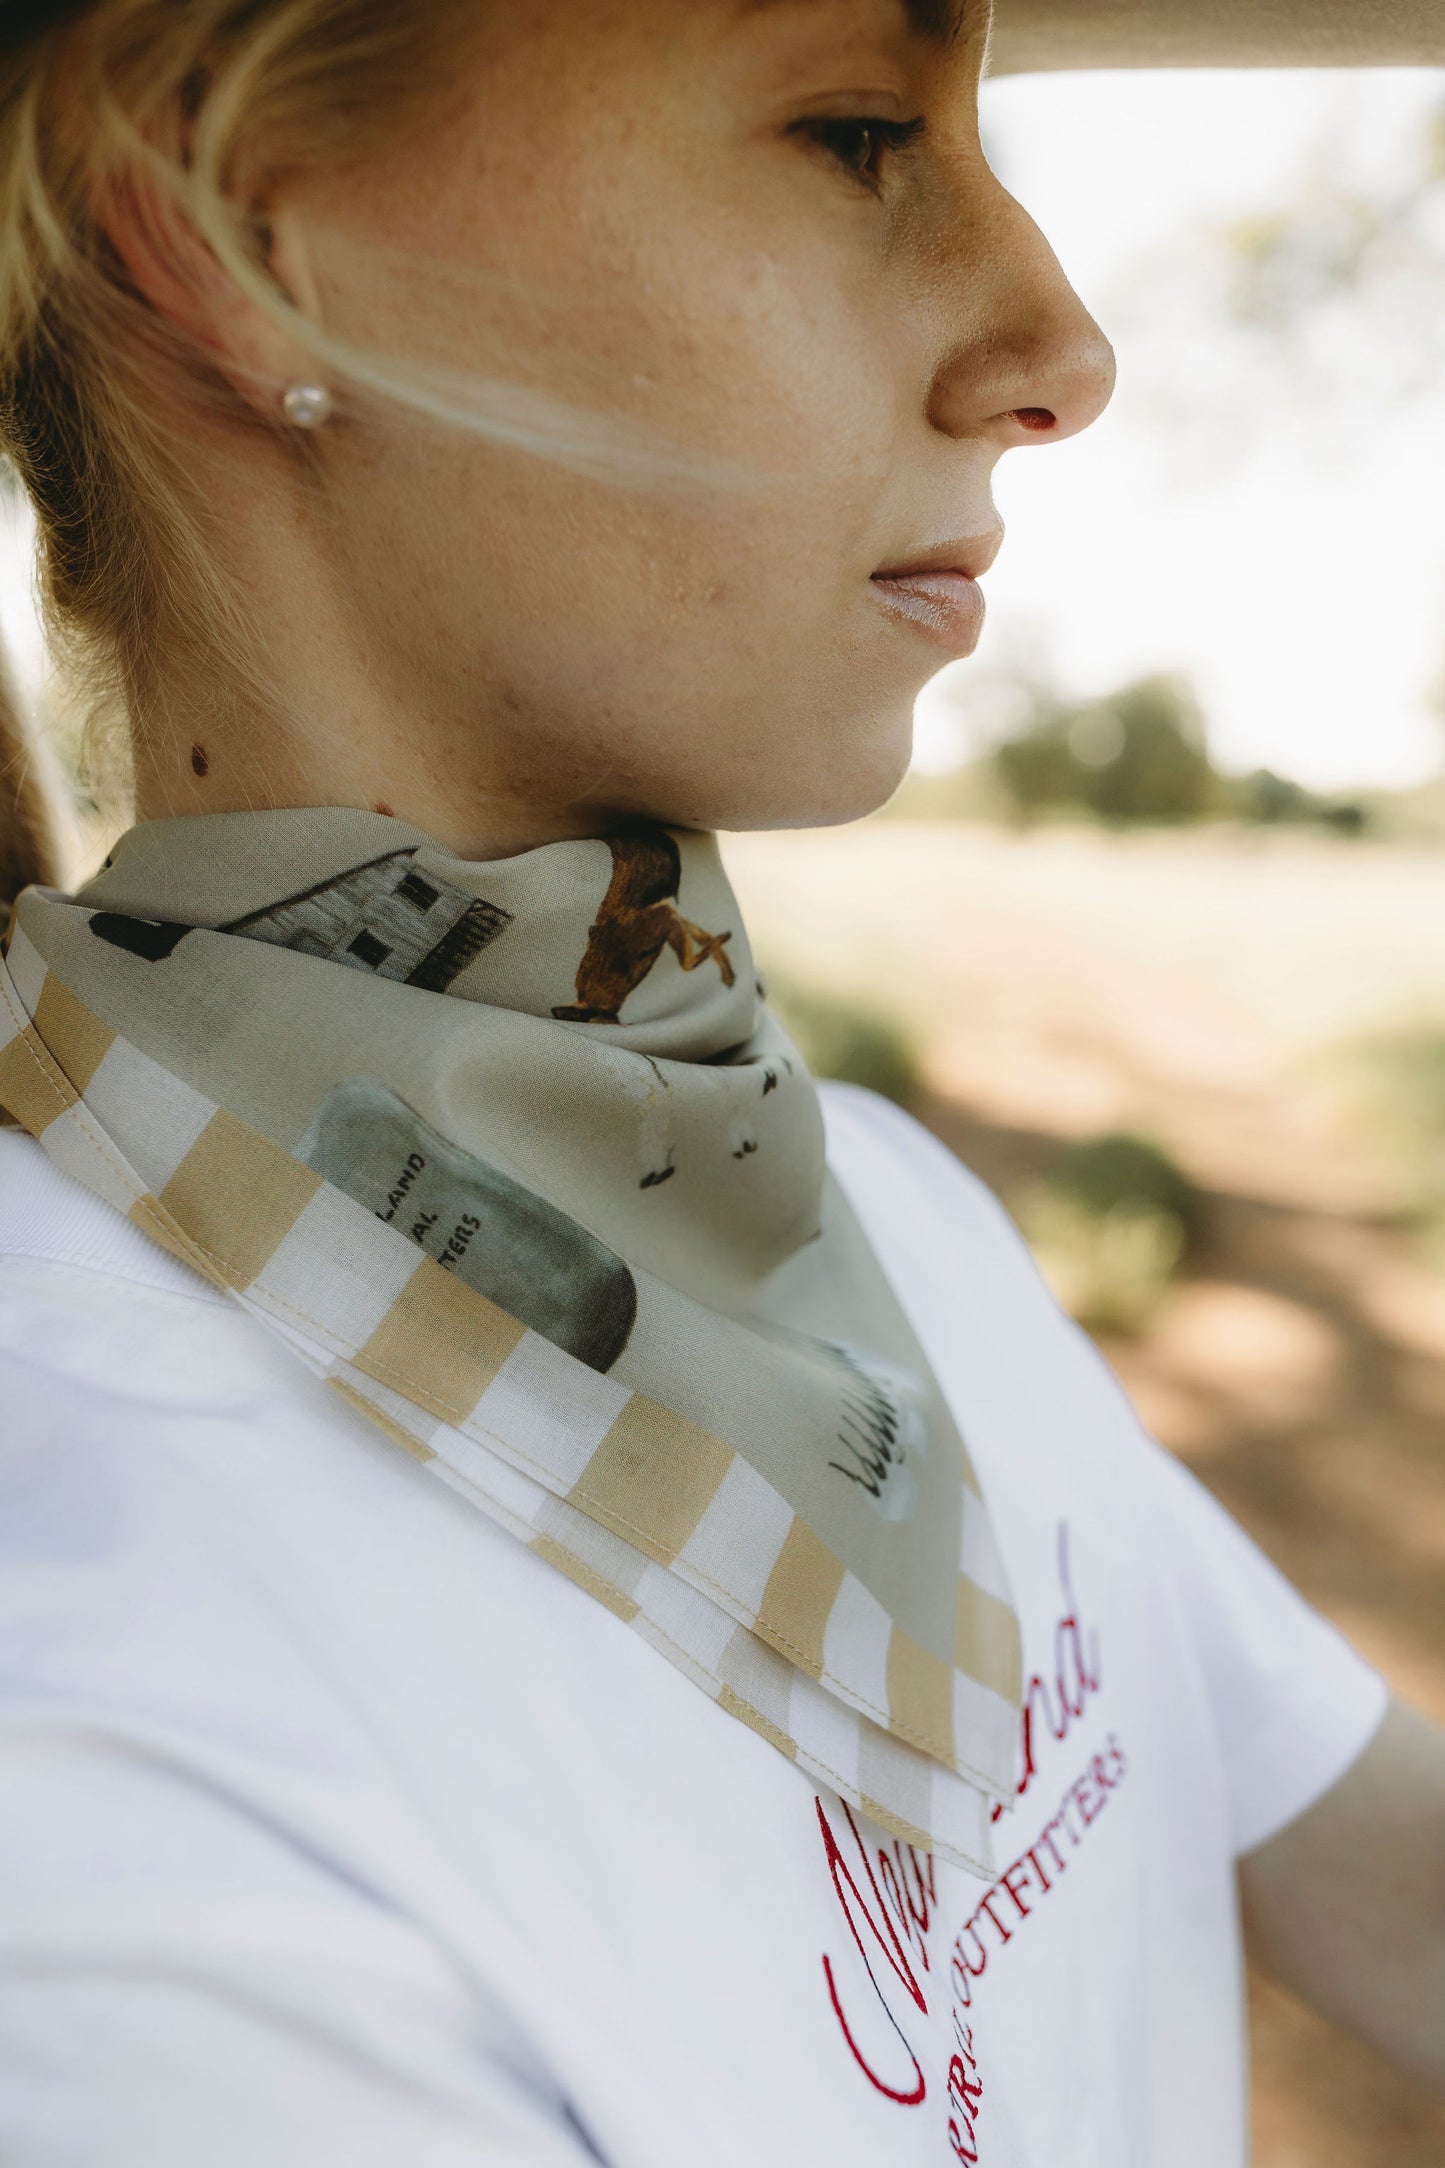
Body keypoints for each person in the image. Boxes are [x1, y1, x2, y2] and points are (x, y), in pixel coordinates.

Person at [0, 3, 1441, 2163]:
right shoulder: (97, 1757)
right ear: (242, 246)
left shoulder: (872, 1221)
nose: (1062, 343)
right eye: (863, 130)